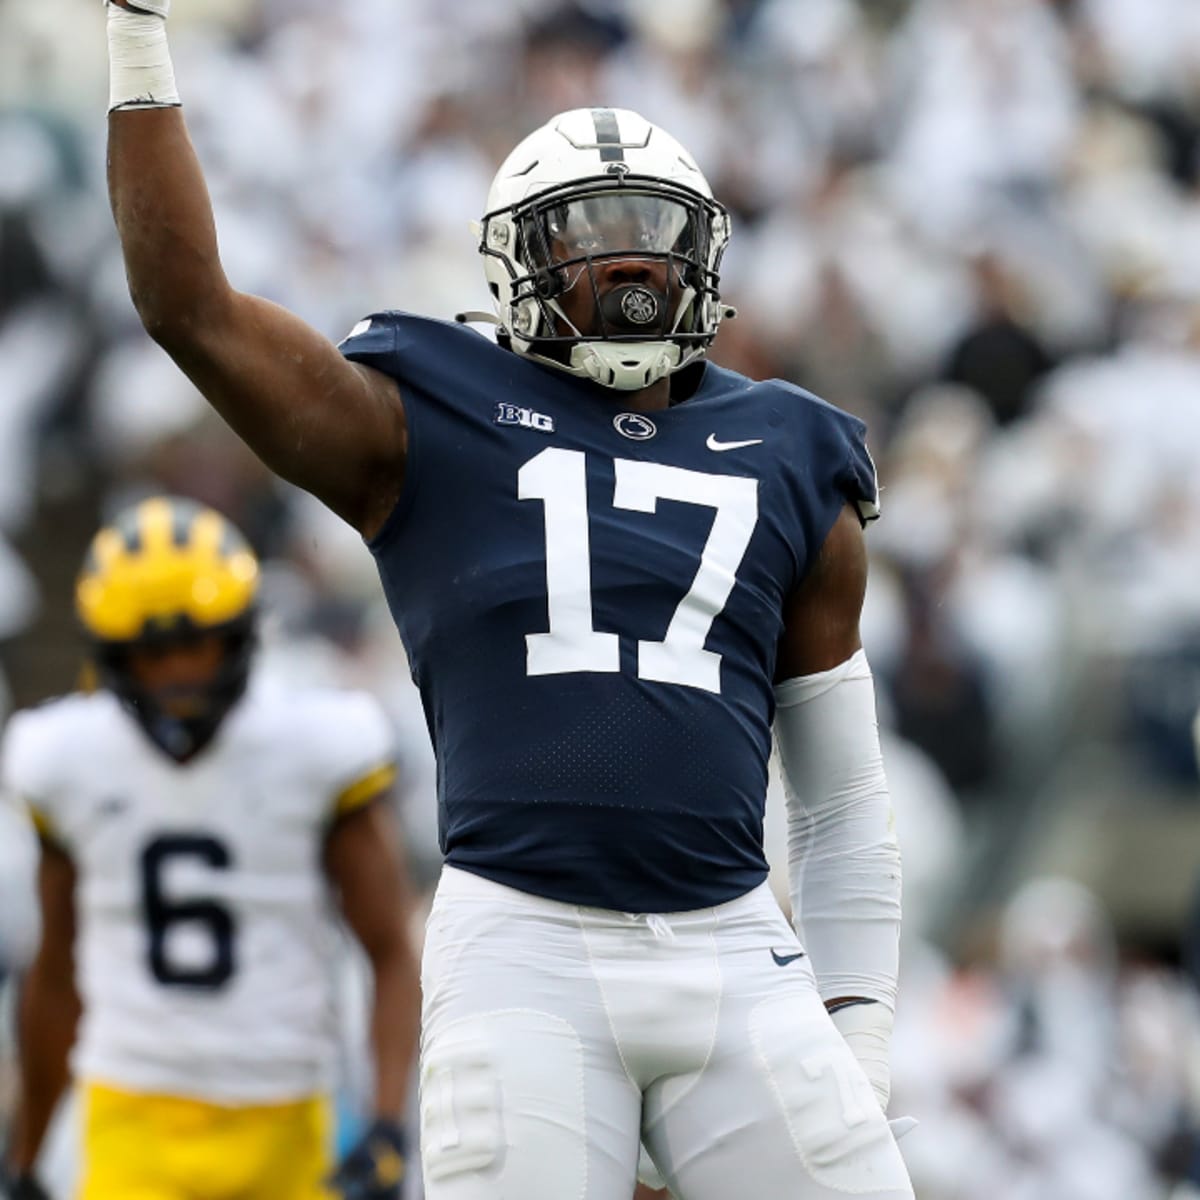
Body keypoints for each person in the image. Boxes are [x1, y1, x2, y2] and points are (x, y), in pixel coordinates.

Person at [100, 2, 914, 1196]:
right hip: (525, 948)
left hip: (738, 946)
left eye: (653, 230)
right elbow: (189, 306)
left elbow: (841, 800)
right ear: (518, 260)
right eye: (590, 233)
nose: (629, 260)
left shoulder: (791, 450)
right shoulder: (425, 410)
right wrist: (136, 32)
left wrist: (861, 1045)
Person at [0, 496, 420, 1200]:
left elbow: (389, 950)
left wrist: (386, 1125)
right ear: (111, 652)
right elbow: (55, 973)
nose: (179, 676)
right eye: (154, 653)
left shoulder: (313, 745)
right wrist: (29, 1153)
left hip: (285, 1109)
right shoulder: (66, 757)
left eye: (199, 643)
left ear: (243, 633)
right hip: (129, 1106)